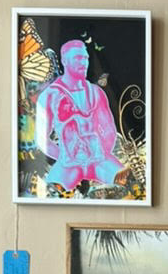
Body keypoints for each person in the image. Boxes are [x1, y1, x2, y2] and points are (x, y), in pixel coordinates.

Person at [35, 39, 125, 192]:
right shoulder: (50, 95)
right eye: (78, 58)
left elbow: (109, 130)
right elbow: (41, 139)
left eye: (86, 58)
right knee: (53, 193)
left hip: (99, 160)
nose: (83, 62)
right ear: (64, 60)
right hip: (68, 165)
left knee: (128, 184)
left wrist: (99, 154)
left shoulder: (96, 92)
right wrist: (63, 156)